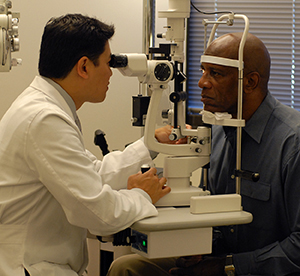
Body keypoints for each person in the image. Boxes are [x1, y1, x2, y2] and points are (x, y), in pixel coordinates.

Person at [0, 13, 181, 276]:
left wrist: (150, 143)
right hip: (30, 266)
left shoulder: (43, 107)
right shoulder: (44, 119)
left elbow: (92, 173)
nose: (111, 73)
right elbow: (98, 214)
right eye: (108, 63)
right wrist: (142, 196)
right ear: (84, 67)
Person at [107, 33, 300, 275]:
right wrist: (200, 246)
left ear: (250, 82)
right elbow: (218, 219)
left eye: (216, 74)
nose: (202, 83)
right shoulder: (219, 133)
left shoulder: (292, 143)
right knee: (126, 267)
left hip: (260, 268)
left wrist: (227, 267)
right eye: (203, 71)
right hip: (219, 261)